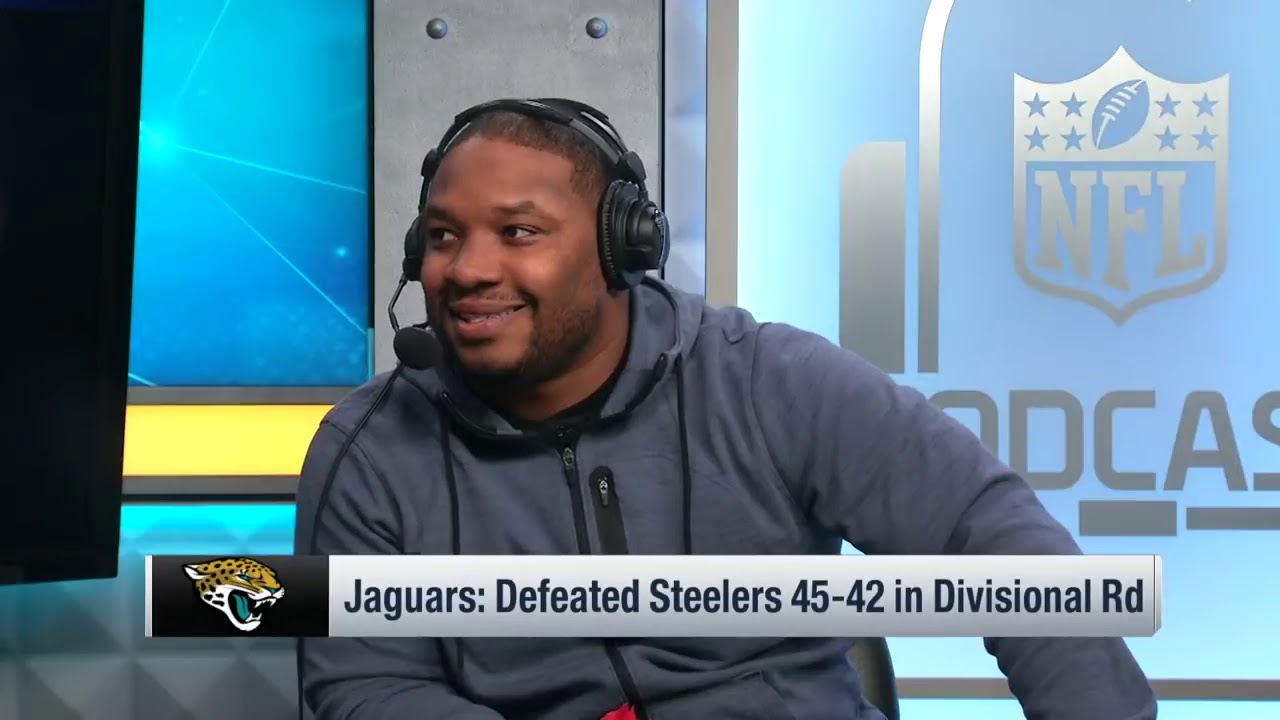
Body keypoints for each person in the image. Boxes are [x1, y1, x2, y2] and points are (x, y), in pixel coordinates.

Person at [294, 97, 1157, 720]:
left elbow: (992, 539)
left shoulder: (769, 381)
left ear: (620, 247)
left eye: (518, 232)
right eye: (443, 237)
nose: (468, 269)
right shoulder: (370, 451)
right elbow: (366, 685)